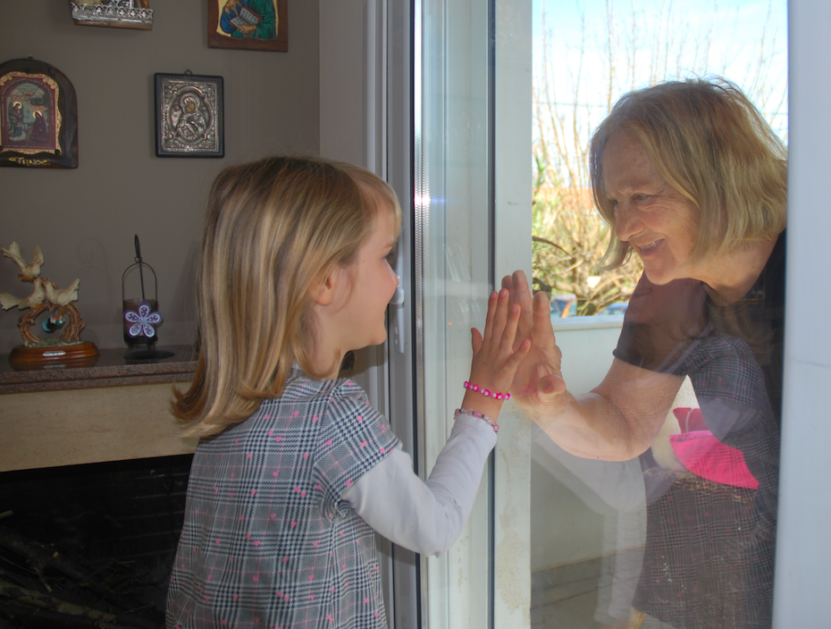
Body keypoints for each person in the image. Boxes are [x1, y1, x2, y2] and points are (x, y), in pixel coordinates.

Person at [165, 156, 530, 628]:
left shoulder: (231, 411)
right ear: (324, 280)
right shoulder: (329, 416)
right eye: (385, 257)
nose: (396, 282)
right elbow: (434, 527)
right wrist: (482, 403)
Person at [505, 78, 787, 628]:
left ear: (717, 177)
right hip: (789, 533)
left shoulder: (824, 254)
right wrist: (549, 405)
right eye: (614, 202)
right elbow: (623, 426)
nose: (625, 226)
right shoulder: (673, 287)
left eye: (643, 197)